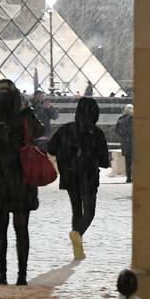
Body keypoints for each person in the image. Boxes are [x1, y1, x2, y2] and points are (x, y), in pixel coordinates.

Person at [0, 81, 40, 286]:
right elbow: (39, 131)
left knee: (0, 228)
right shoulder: (24, 118)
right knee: (21, 228)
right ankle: (22, 274)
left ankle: (2, 273)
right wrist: (28, 111)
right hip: (21, 179)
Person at [47, 96, 110, 261]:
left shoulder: (66, 129)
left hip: (69, 175)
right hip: (88, 176)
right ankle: (77, 234)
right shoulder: (97, 133)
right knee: (89, 212)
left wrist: (66, 155)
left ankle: (78, 249)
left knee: (76, 210)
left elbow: (51, 148)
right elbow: (104, 161)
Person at [115, 104, 134, 183]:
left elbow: (117, 131)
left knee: (128, 161)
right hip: (132, 143)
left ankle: (129, 177)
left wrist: (122, 139)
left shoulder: (121, 119)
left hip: (126, 144)